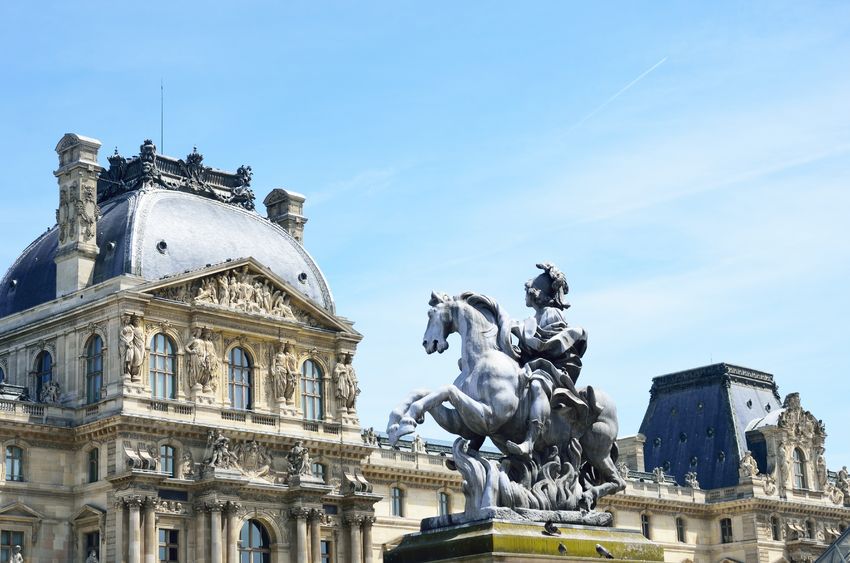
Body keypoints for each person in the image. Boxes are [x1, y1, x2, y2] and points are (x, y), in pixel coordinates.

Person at [506, 263, 589, 458]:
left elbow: (549, 343)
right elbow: (527, 349)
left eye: (527, 291)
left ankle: (530, 440)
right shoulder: (532, 317)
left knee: (537, 385)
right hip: (532, 365)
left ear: (536, 294)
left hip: (553, 368)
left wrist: (522, 334)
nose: (525, 295)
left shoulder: (552, 313)